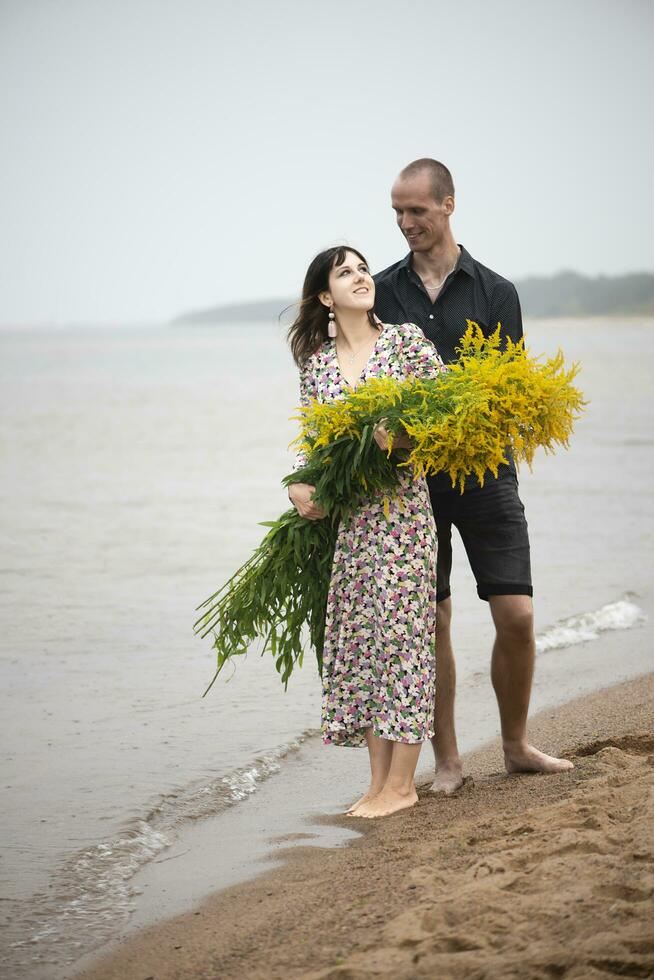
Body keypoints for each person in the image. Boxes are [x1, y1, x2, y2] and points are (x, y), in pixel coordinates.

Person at [374, 158, 573, 793]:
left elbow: (510, 391)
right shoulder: (380, 291)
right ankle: (449, 761)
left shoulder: (496, 291)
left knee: (515, 615)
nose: (406, 223)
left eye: (418, 212)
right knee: (433, 620)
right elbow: (363, 383)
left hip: (487, 475)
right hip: (410, 483)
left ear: (449, 205)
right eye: (398, 213)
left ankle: (515, 745)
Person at [287, 246, 445, 818]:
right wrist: (299, 491)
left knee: (403, 644)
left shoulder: (406, 344)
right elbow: (317, 455)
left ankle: (403, 788)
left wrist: (401, 441)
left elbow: (448, 423)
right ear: (326, 297)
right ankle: (377, 785)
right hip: (351, 526)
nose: (360, 277)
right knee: (364, 647)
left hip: (402, 515)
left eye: (362, 268)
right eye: (344, 272)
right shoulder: (318, 368)